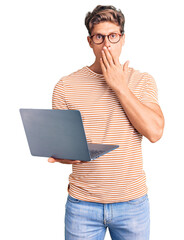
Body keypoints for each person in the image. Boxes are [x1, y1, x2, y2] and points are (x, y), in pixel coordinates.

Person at [48, 5, 165, 240]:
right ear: (90, 41)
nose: (107, 44)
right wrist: (64, 153)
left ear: (122, 38)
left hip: (132, 204)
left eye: (113, 36)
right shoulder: (65, 86)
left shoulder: (143, 81)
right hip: (83, 205)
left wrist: (120, 86)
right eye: (99, 37)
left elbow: (154, 132)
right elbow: (60, 147)